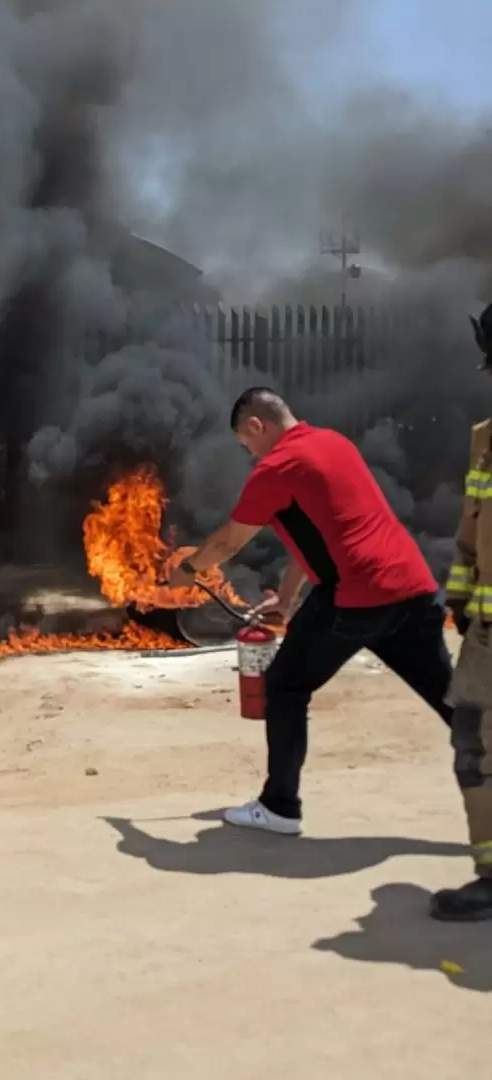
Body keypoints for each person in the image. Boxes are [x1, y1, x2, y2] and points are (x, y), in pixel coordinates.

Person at [170, 387, 453, 838]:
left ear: (256, 426)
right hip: (413, 587)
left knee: (284, 685)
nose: (250, 454)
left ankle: (279, 807)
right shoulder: (333, 444)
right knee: (454, 701)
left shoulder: (277, 467)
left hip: (358, 594)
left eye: (247, 444)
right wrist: (286, 598)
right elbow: (328, 529)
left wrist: (186, 569)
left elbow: (226, 542)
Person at [433, 304, 492, 922]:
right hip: (485, 637)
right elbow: (472, 530)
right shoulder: (486, 439)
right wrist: (458, 595)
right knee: (472, 742)